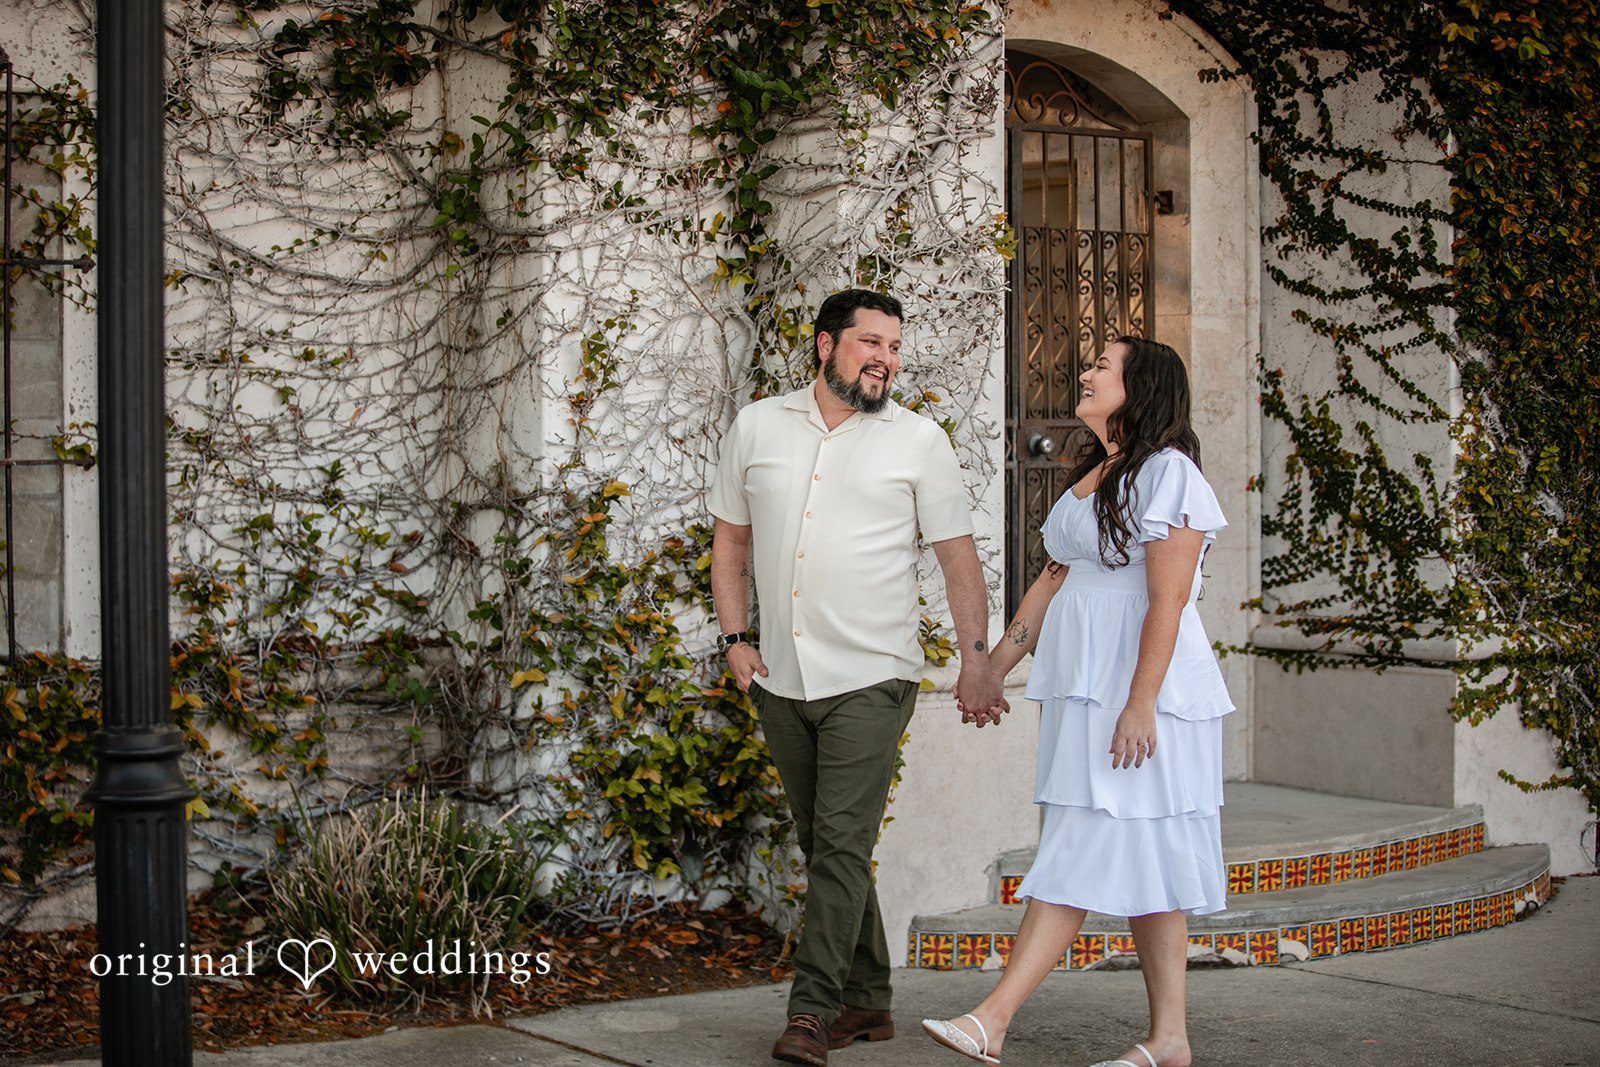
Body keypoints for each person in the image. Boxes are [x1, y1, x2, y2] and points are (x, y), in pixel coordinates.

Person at [708, 288, 1007, 1066]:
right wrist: (735, 637)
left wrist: (977, 659)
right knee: (826, 843)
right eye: (871, 342)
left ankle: (812, 1013)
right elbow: (731, 542)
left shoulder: (919, 441)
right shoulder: (758, 427)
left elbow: (958, 562)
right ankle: (869, 1000)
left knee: (840, 845)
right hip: (781, 676)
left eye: (895, 346)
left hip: (874, 677)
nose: (887, 358)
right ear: (825, 345)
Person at [923, 336, 1233, 1067]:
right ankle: (1170, 1040)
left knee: (1079, 844)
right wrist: (992, 667)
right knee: (1147, 859)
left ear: (1143, 386)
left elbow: (1168, 599)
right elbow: (1052, 581)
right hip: (1087, 691)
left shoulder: (1170, 475)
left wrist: (1140, 701)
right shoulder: (1098, 473)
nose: (1087, 371)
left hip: (1143, 695)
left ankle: (991, 1019)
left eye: (1103, 364)